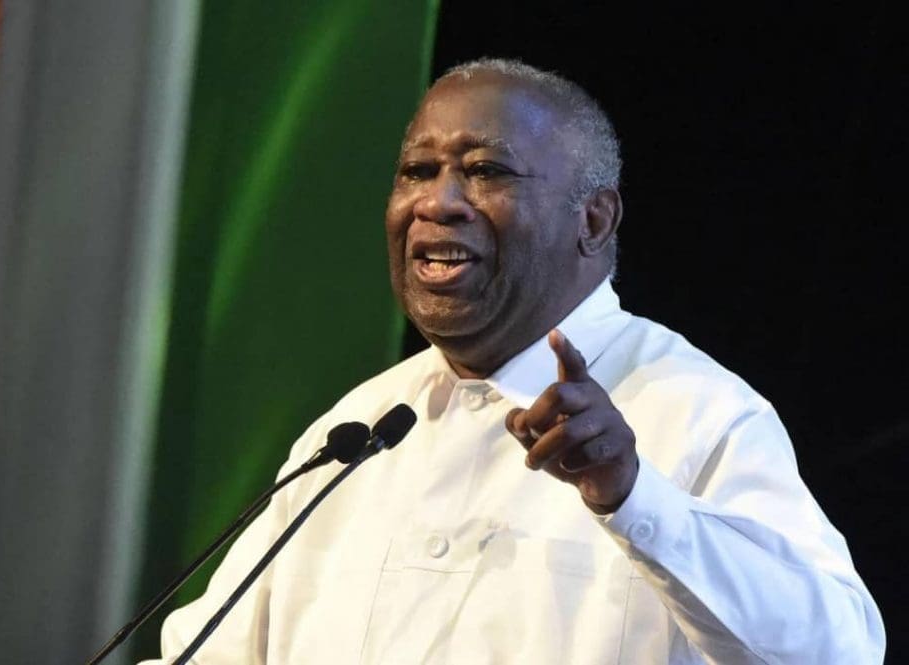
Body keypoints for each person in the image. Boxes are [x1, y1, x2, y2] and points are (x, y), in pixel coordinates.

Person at [142, 58, 884, 664]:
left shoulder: (695, 410)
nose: (438, 202)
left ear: (593, 218)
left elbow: (839, 652)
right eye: (416, 170)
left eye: (486, 170)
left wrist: (633, 498)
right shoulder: (356, 429)